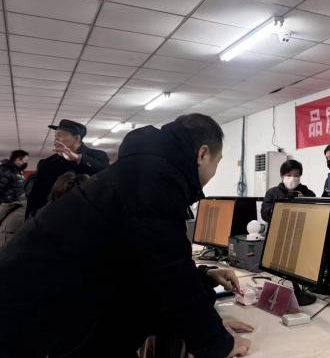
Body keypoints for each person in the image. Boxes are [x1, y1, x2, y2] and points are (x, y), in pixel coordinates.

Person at [0, 113, 253, 358]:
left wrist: (203, 280)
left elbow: (145, 263)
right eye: (217, 163)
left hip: (36, 302)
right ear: (203, 154)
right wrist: (216, 342)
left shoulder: (142, 170)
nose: (214, 172)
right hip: (37, 319)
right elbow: (170, 273)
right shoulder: (157, 180)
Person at [25, 119, 109, 218]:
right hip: (53, 217)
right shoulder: (47, 163)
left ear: (77, 138)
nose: (56, 139)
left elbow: (105, 176)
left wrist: (78, 158)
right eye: (55, 136)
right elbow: (36, 197)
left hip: (87, 216)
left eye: (60, 135)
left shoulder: (97, 156)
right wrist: (30, 221)